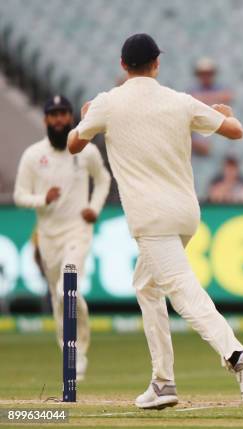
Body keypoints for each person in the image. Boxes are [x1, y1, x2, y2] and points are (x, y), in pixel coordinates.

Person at [67, 33, 243, 412]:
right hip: (185, 213)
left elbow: (74, 145)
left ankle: (237, 357)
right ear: (157, 64)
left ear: (123, 65)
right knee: (146, 286)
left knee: (181, 290)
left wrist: (85, 118)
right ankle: (162, 382)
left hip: (150, 216)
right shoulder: (180, 100)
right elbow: (236, 131)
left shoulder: (108, 103)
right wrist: (224, 115)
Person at [14, 95, 111, 381]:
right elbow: (20, 196)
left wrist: (93, 208)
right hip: (48, 237)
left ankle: (78, 351)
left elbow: (103, 179)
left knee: (65, 291)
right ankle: (70, 352)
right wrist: (42, 198)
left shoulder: (85, 151)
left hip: (77, 231)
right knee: (60, 298)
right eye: (53, 114)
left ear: (71, 118)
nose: (58, 119)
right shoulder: (34, 155)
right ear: (46, 119)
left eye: (63, 114)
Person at [189, 57, 235, 197]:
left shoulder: (219, 88)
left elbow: (228, 96)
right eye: (203, 73)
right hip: (198, 145)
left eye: (208, 73)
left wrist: (201, 99)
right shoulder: (194, 90)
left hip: (214, 141)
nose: (206, 76)